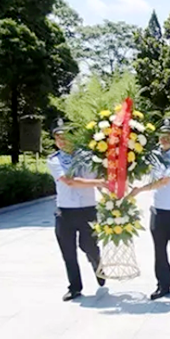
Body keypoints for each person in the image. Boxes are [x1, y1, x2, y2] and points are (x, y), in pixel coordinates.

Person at [46, 118, 107, 301]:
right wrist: (101, 182)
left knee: (88, 245)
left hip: (88, 210)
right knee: (68, 251)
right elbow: (70, 181)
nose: (62, 141)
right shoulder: (54, 160)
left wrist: (112, 197)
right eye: (58, 138)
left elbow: (100, 177)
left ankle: (97, 263)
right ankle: (75, 287)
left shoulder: (89, 156)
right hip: (65, 211)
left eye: (65, 136)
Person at [130, 119, 170, 300]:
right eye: (162, 134)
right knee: (159, 249)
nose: (164, 138)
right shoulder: (152, 154)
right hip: (158, 210)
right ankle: (163, 284)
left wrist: (140, 190)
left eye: (169, 135)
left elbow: (165, 180)